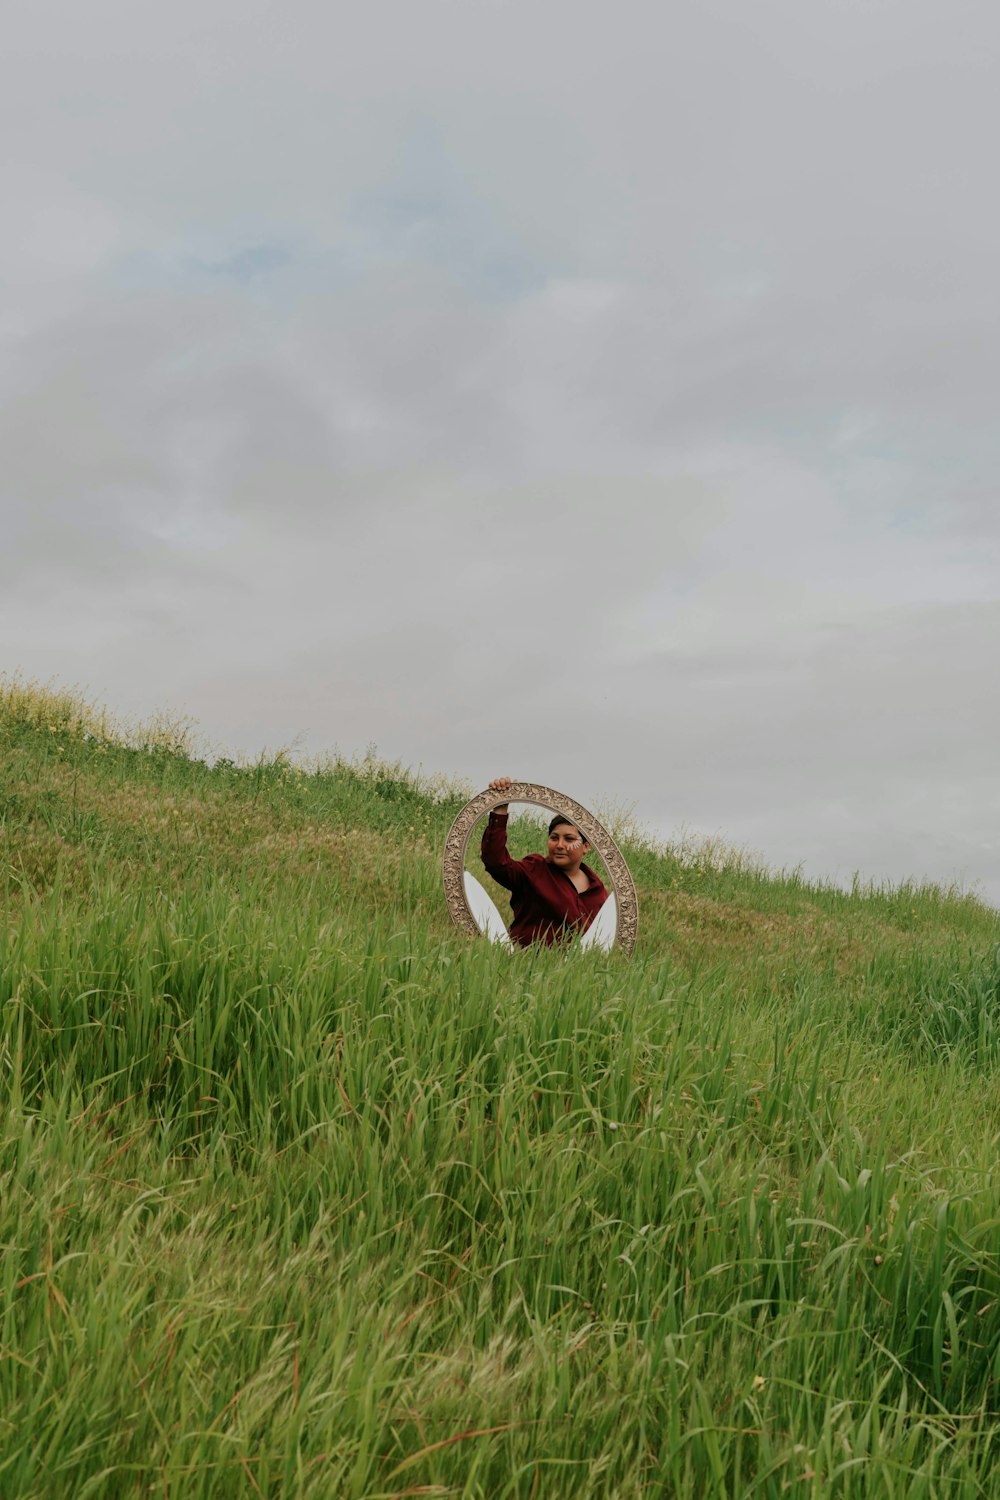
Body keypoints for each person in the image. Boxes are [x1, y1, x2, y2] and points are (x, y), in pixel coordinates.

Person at [480, 777, 608, 948]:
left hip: (575, 972)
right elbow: (496, 863)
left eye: (569, 839)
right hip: (525, 967)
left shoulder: (598, 892)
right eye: (554, 838)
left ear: (585, 847)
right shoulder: (534, 870)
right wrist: (500, 809)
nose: (560, 845)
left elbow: (603, 940)